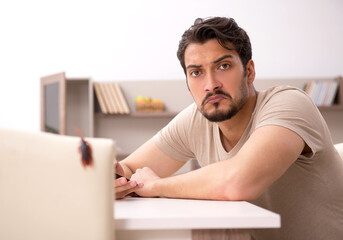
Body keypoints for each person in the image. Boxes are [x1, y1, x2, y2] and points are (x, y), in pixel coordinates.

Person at [114, 17, 343, 239]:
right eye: (196, 72)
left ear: (249, 72)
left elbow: (238, 181)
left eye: (223, 66)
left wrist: (157, 186)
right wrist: (113, 180)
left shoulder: (289, 103)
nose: (211, 84)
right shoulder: (196, 119)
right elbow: (129, 169)